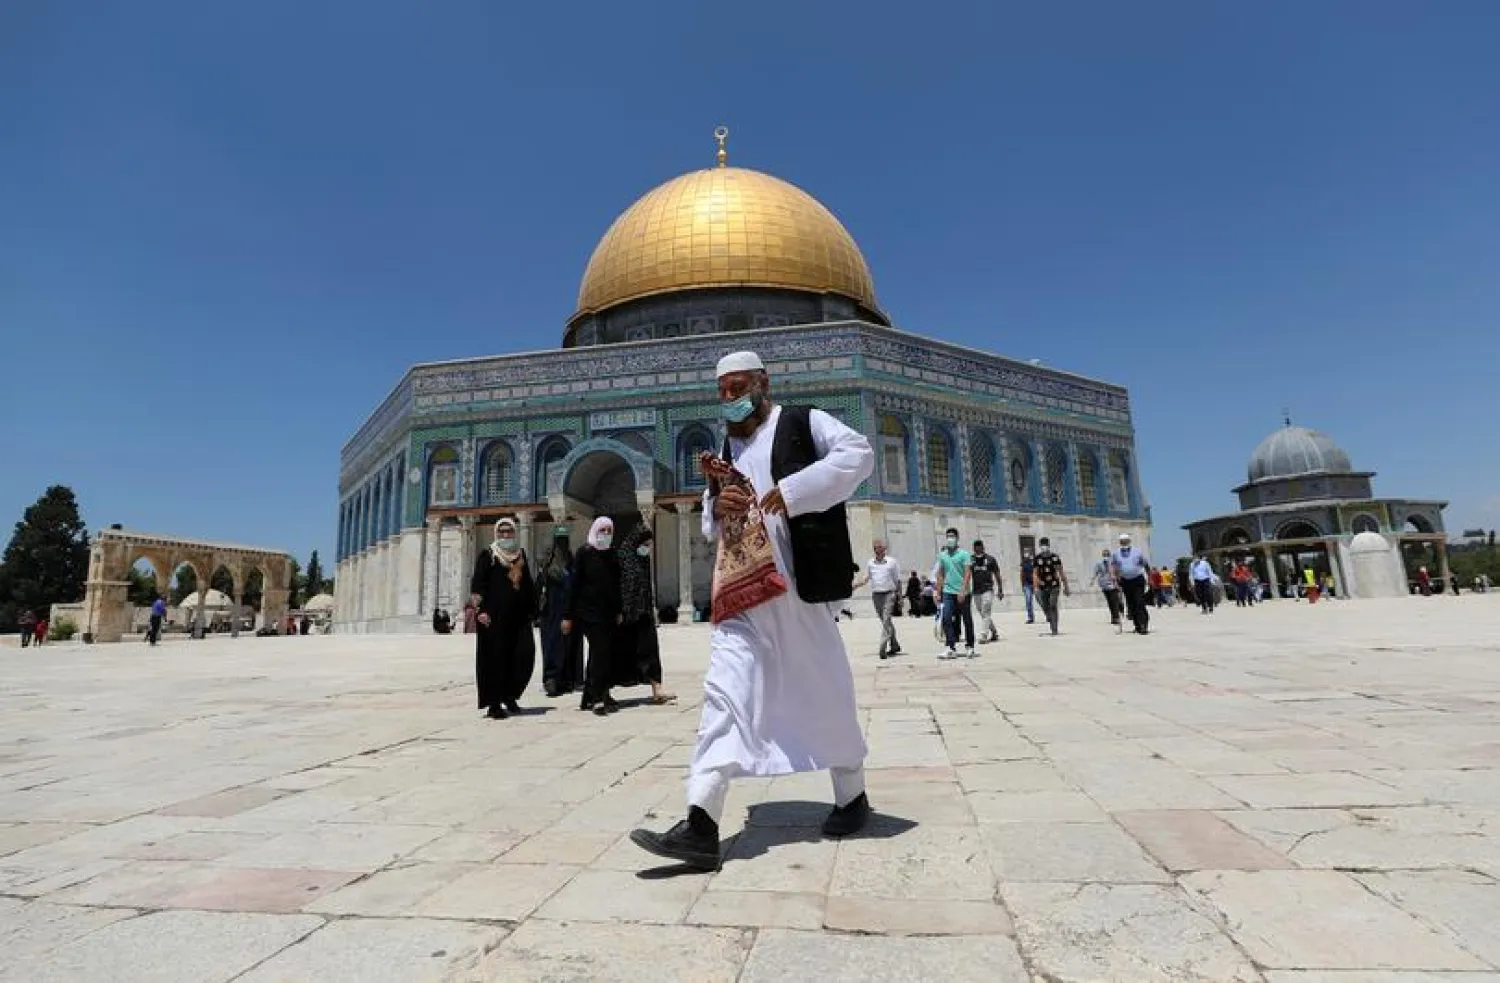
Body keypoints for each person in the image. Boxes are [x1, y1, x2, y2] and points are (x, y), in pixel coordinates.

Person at [630, 350, 874, 871]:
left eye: (737, 387)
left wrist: (792, 491)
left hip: (797, 587)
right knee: (725, 696)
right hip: (742, 591)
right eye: (721, 391)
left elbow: (858, 453)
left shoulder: (803, 422)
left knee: (823, 687)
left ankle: (851, 795)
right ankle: (701, 823)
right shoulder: (726, 446)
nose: (729, 399)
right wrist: (716, 506)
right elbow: (709, 510)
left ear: (764, 382)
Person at [469, 517, 537, 720]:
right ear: (496, 534)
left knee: (522, 656)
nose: (506, 535)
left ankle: (510, 695)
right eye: (502, 532)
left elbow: (528, 584)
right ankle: (494, 703)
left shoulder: (520, 556)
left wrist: (534, 609)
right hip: (493, 619)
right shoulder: (489, 555)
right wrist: (480, 610)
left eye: (509, 532)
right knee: (495, 661)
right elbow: (478, 584)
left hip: (518, 618)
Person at [564, 517, 621, 716]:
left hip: (607, 612)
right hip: (587, 612)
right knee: (599, 651)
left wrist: (618, 611)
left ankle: (591, 696)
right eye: (602, 530)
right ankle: (598, 696)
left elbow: (616, 585)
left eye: (609, 530)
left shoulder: (612, 554)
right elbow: (574, 585)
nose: (605, 534)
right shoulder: (584, 553)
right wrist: (567, 615)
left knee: (603, 654)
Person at [615, 523, 676, 705]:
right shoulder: (623, 558)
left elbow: (645, 589)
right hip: (627, 617)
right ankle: (603, 693)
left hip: (644, 615)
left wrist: (650, 611)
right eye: (645, 544)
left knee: (651, 652)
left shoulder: (643, 560)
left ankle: (657, 689)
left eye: (650, 544)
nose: (647, 548)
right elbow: (620, 588)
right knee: (620, 654)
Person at [537, 526, 583, 697]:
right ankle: (552, 679)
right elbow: (539, 588)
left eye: (565, 540)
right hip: (551, 613)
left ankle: (572, 679)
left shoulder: (572, 563)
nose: (562, 545)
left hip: (571, 611)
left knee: (572, 645)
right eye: (560, 540)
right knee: (552, 645)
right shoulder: (548, 564)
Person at [854, 539, 903, 659]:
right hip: (876, 595)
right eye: (875, 548)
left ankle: (882, 647)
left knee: (886, 620)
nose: (877, 550)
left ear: (884, 549)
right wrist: (855, 585)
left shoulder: (891, 562)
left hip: (889, 594)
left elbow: (898, 580)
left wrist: (900, 597)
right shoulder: (871, 563)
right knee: (886, 621)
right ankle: (895, 645)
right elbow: (866, 578)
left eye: (879, 547)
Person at [933, 527, 974, 659]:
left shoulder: (964, 554)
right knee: (946, 618)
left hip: (963, 592)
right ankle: (950, 647)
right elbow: (940, 574)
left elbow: (968, 573)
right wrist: (938, 592)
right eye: (948, 536)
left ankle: (970, 646)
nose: (950, 538)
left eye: (952, 536)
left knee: (966, 619)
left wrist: (962, 590)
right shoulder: (943, 555)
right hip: (948, 591)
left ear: (957, 538)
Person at [1111, 533, 1151, 635]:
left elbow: (1146, 564)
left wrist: (1149, 578)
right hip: (1125, 581)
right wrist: (1114, 578)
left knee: (1139, 601)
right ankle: (1137, 625)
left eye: (1125, 541)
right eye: (1122, 541)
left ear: (1129, 541)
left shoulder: (1137, 551)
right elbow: (1114, 566)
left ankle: (1143, 625)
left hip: (1137, 579)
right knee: (1131, 604)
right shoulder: (1116, 553)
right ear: (1120, 542)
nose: (1124, 542)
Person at [1031, 537, 1068, 635]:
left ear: (1048, 545)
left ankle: (1054, 629)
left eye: (1045, 544)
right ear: (1040, 546)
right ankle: (1050, 618)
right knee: (1045, 606)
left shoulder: (1054, 557)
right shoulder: (1037, 558)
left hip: (1054, 584)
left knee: (1052, 605)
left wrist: (1066, 586)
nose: (1044, 547)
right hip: (1043, 586)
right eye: (1042, 545)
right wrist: (1036, 586)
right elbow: (1034, 573)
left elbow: (1061, 571)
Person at [969, 540, 1004, 643]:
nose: (978, 549)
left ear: (983, 547)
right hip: (976, 591)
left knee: (986, 611)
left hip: (987, 589)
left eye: (980, 547)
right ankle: (994, 631)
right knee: (983, 614)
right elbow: (966, 575)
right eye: (976, 547)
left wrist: (1000, 589)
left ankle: (984, 635)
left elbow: (997, 574)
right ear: (973, 548)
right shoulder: (971, 560)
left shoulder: (990, 559)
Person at [1092, 548, 1122, 626]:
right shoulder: (1099, 563)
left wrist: (1119, 582)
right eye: (1104, 555)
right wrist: (1092, 580)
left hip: (1113, 584)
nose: (1106, 556)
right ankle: (1113, 616)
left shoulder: (1113, 563)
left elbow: (1118, 572)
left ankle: (1116, 617)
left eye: (1107, 555)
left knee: (1114, 601)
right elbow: (1095, 572)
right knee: (1110, 602)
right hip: (1104, 585)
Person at [1019, 549, 1036, 624]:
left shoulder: (1035, 562)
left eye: (1027, 552)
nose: (1026, 554)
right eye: (1025, 553)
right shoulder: (1023, 563)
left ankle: (1048, 615)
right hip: (1027, 585)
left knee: (1042, 600)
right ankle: (1030, 617)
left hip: (1035, 584)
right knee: (1028, 601)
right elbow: (1021, 574)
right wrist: (1022, 585)